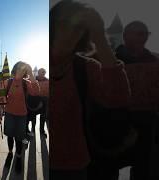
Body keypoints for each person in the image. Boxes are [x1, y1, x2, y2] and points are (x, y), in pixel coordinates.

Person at [50, 1, 131, 180]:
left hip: (74, 164)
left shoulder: (87, 67)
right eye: (64, 23)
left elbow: (119, 98)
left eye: (78, 27)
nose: (71, 32)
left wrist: (100, 38)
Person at [115, 21, 159, 180]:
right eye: (138, 33)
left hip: (146, 124)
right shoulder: (112, 60)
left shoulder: (154, 61)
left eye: (145, 33)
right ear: (125, 35)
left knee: (142, 168)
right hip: (117, 123)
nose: (142, 37)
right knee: (110, 166)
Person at [0, 61, 40, 173]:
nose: (21, 71)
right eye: (20, 68)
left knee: (19, 138)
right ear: (15, 69)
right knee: (10, 136)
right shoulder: (8, 82)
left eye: (24, 69)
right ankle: (10, 153)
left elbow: (36, 92)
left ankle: (19, 157)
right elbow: (0, 97)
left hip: (22, 115)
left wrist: (31, 73)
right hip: (9, 114)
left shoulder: (26, 82)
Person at [36, 68, 49, 137]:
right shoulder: (34, 80)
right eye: (41, 72)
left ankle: (41, 130)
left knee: (43, 116)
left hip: (45, 100)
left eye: (43, 73)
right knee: (33, 115)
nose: (42, 74)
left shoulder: (47, 81)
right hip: (35, 100)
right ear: (38, 73)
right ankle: (32, 129)